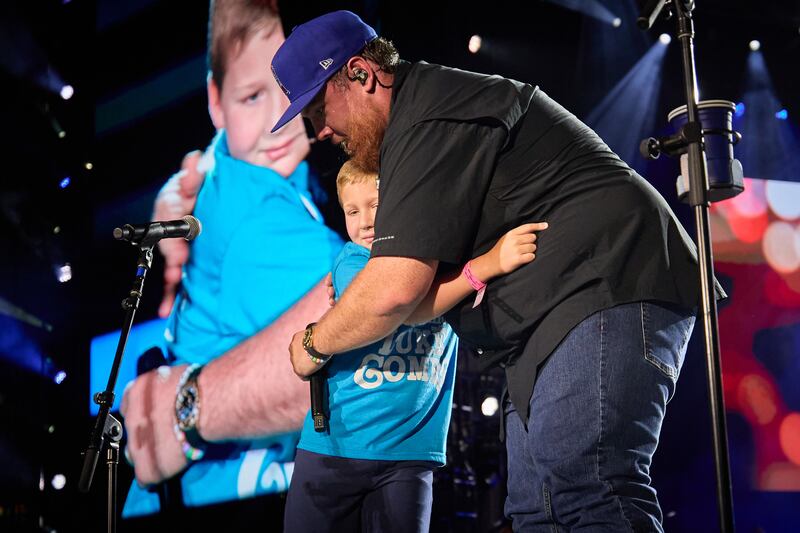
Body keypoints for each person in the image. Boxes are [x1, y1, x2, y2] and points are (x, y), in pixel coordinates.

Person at [120, 9, 716, 533]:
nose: (320, 131)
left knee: (586, 488)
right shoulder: (413, 127)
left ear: (361, 74)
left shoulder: (427, 115)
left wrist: (313, 343)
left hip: (606, 282)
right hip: (553, 319)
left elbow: (394, 290)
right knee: (538, 507)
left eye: (319, 108)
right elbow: (410, 294)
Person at [121, 0, 343, 517]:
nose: (277, 120)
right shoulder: (259, 218)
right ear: (215, 101)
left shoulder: (236, 169)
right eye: (252, 97)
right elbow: (373, 319)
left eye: (291, 85)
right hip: (226, 501)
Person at [284, 161, 546, 532]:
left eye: (376, 205)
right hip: (337, 448)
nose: (365, 222)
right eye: (352, 211)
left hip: (411, 454)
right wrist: (486, 266)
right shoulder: (353, 261)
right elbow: (405, 306)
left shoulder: (440, 265)